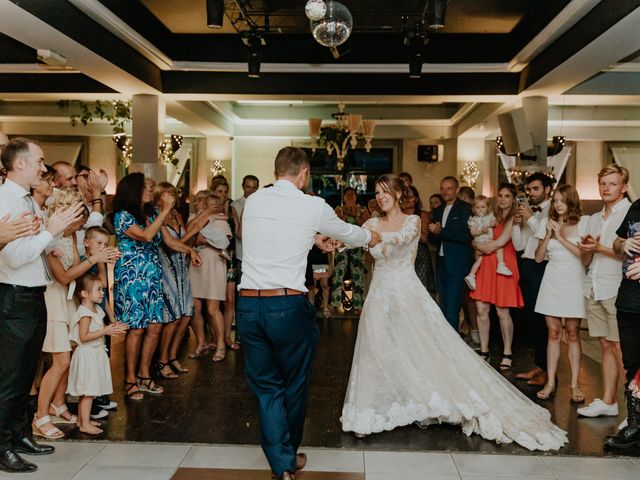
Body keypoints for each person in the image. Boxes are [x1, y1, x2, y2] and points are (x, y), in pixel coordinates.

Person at [340, 174, 566, 451]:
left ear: (399, 194)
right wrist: (334, 240)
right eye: (377, 191)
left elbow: (399, 240)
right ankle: (369, 410)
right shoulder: (371, 222)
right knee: (374, 348)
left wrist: (373, 237)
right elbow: (351, 239)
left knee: (419, 348)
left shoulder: (412, 222)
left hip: (407, 294)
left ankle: (417, 399)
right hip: (379, 295)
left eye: (386, 191)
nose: (381, 196)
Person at [237, 146, 380, 480]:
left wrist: (312, 239)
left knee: (266, 388)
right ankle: (286, 458)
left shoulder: (254, 200)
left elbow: (266, 235)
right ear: (303, 174)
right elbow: (348, 233)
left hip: (247, 305)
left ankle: (282, 464)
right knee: (294, 382)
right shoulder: (312, 204)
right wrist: (372, 235)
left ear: (276, 172)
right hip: (286, 306)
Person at [0, 138, 82, 473]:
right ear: (19, 164)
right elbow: (15, 257)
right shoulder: (5, 200)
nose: (43, 168)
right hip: (15, 295)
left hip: (34, 294)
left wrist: (50, 229)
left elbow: (34, 248)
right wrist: (50, 231)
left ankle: (19, 435)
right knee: (10, 376)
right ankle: (2, 445)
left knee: (25, 374)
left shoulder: (27, 199)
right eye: (39, 161)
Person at [34, 189, 119, 440]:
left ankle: (58, 405)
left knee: (68, 356)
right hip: (53, 298)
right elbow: (62, 276)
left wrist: (99, 259)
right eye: (78, 218)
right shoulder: (48, 238)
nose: (81, 224)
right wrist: (94, 258)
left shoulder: (70, 235)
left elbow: (73, 270)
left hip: (68, 298)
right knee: (60, 360)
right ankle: (40, 416)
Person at [112, 173, 175, 400]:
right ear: (133, 190)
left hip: (152, 277)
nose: (151, 190)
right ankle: (129, 379)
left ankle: (144, 374)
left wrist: (190, 251)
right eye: (146, 187)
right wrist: (166, 211)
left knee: (155, 326)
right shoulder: (122, 217)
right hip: (132, 279)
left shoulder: (151, 214)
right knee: (136, 329)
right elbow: (147, 237)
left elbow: (166, 240)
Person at [577, 165, 631, 418]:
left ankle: (633, 412)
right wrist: (588, 251)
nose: (606, 188)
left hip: (617, 288)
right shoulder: (595, 218)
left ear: (623, 187)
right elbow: (588, 258)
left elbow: (629, 255)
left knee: (622, 349)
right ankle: (609, 401)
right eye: (603, 183)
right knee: (604, 345)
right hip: (594, 286)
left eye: (612, 183)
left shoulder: (630, 214)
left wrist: (598, 249)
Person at [534, 185, 588, 402]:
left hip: (574, 281)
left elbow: (585, 258)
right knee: (553, 333)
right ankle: (551, 382)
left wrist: (561, 238)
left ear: (571, 201)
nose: (557, 205)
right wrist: (548, 235)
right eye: (555, 201)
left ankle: (575, 385)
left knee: (573, 333)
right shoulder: (550, 224)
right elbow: (538, 258)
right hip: (552, 281)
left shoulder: (583, 223)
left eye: (561, 201)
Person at [67, 273, 128, 435]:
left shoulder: (95, 310)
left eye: (102, 289)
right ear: (85, 294)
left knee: (89, 392)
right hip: (87, 355)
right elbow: (83, 337)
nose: (102, 293)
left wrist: (112, 328)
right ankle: (84, 424)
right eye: (98, 290)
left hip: (95, 354)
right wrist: (105, 330)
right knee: (88, 392)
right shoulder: (85, 313)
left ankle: (82, 420)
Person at [471, 185, 524, 370]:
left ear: (513, 199)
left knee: (502, 311)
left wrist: (481, 248)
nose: (502, 199)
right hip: (486, 264)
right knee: (481, 309)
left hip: (504, 264)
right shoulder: (491, 216)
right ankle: (484, 350)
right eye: (500, 195)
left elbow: (502, 241)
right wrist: (476, 245)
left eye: (507, 196)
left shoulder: (514, 218)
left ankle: (507, 351)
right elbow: (476, 237)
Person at [153, 182, 201, 378]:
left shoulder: (177, 215)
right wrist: (190, 245)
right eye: (167, 194)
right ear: (159, 197)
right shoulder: (157, 216)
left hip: (181, 269)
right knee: (172, 317)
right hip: (165, 269)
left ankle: (173, 357)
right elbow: (170, 244)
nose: (172, 197)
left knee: (186, 314)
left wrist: (191, 245)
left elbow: (185, 240)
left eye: (173, 194)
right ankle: (162, 361)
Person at [512, 172, 553, 387]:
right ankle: (539, 364)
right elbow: (519, 245)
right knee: (532, 320)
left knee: (543, 320)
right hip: (526, 265)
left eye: (535, 189)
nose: (531, 193)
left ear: (546, 189)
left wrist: (529, 217)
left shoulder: (552, 210)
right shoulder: (529, 212)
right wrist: (517, 224)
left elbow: (545, 235)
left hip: (542, 266)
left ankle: (548, 370)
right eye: (529, 189)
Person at [605, 196, 640, 448]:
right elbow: (616, 244)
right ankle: (635, 425)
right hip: (628, 300)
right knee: (632, 365)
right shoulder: (637, 206)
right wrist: (623, 243)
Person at [188, 193, 231, 362]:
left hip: (214, 263)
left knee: (213, 308)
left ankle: (220, 345)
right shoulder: (195, 218)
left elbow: (226, 241)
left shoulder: (221, 221)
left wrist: (203, 240)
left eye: (202, 201)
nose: (199, 204)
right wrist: (200, 240)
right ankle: (201, 342)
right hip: (196, 262)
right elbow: (190, 238)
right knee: (195, 306)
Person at [428, 176, 474, 329]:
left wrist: (442, 231)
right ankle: (443, 343)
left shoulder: (464, 209)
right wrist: (433, 233)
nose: (445, 191)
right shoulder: (439, 210)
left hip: (458, 263)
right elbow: (434, 240)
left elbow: (466, 236)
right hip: (441, 263)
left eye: (449, 188)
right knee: (442, 304)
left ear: (457, 190)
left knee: (453, 306)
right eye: (442, 188)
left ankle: (452, 347)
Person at [330, 187, 370, 315]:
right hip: (342, 246)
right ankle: (335, 304)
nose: (350, 196)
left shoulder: (363, 209)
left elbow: (367, 226)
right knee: (338, 274)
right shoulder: (339, 209)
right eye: (348, 194)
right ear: (344, 197)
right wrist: (346, 216)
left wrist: (355, 215)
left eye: (352, 194)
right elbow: (336, 225)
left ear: (356, 196)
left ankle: (358, 306)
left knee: (358, 276)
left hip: (357, 246)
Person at [465, 195, 512, 291]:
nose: (480, 210)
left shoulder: (490, 216)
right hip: (482, 240)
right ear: (474, 209)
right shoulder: (473, 219)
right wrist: (481, 231)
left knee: (480, 259)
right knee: (499, 248)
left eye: (483, 207)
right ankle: (501, 265)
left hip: (488, 241)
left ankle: (471, 275)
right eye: (477, 207)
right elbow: (472, 232)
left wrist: (492, 223)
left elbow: (495, 222)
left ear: (487, 208)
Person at [404, 186, 435, 294]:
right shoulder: (398, 215)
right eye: (405, 196)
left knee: (420, 290)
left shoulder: (422, 214)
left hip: (419, 254)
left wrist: (412, 231)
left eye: (411, 196)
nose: (407, 198)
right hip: (402, 255)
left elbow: (426, 238)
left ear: (416, 199)